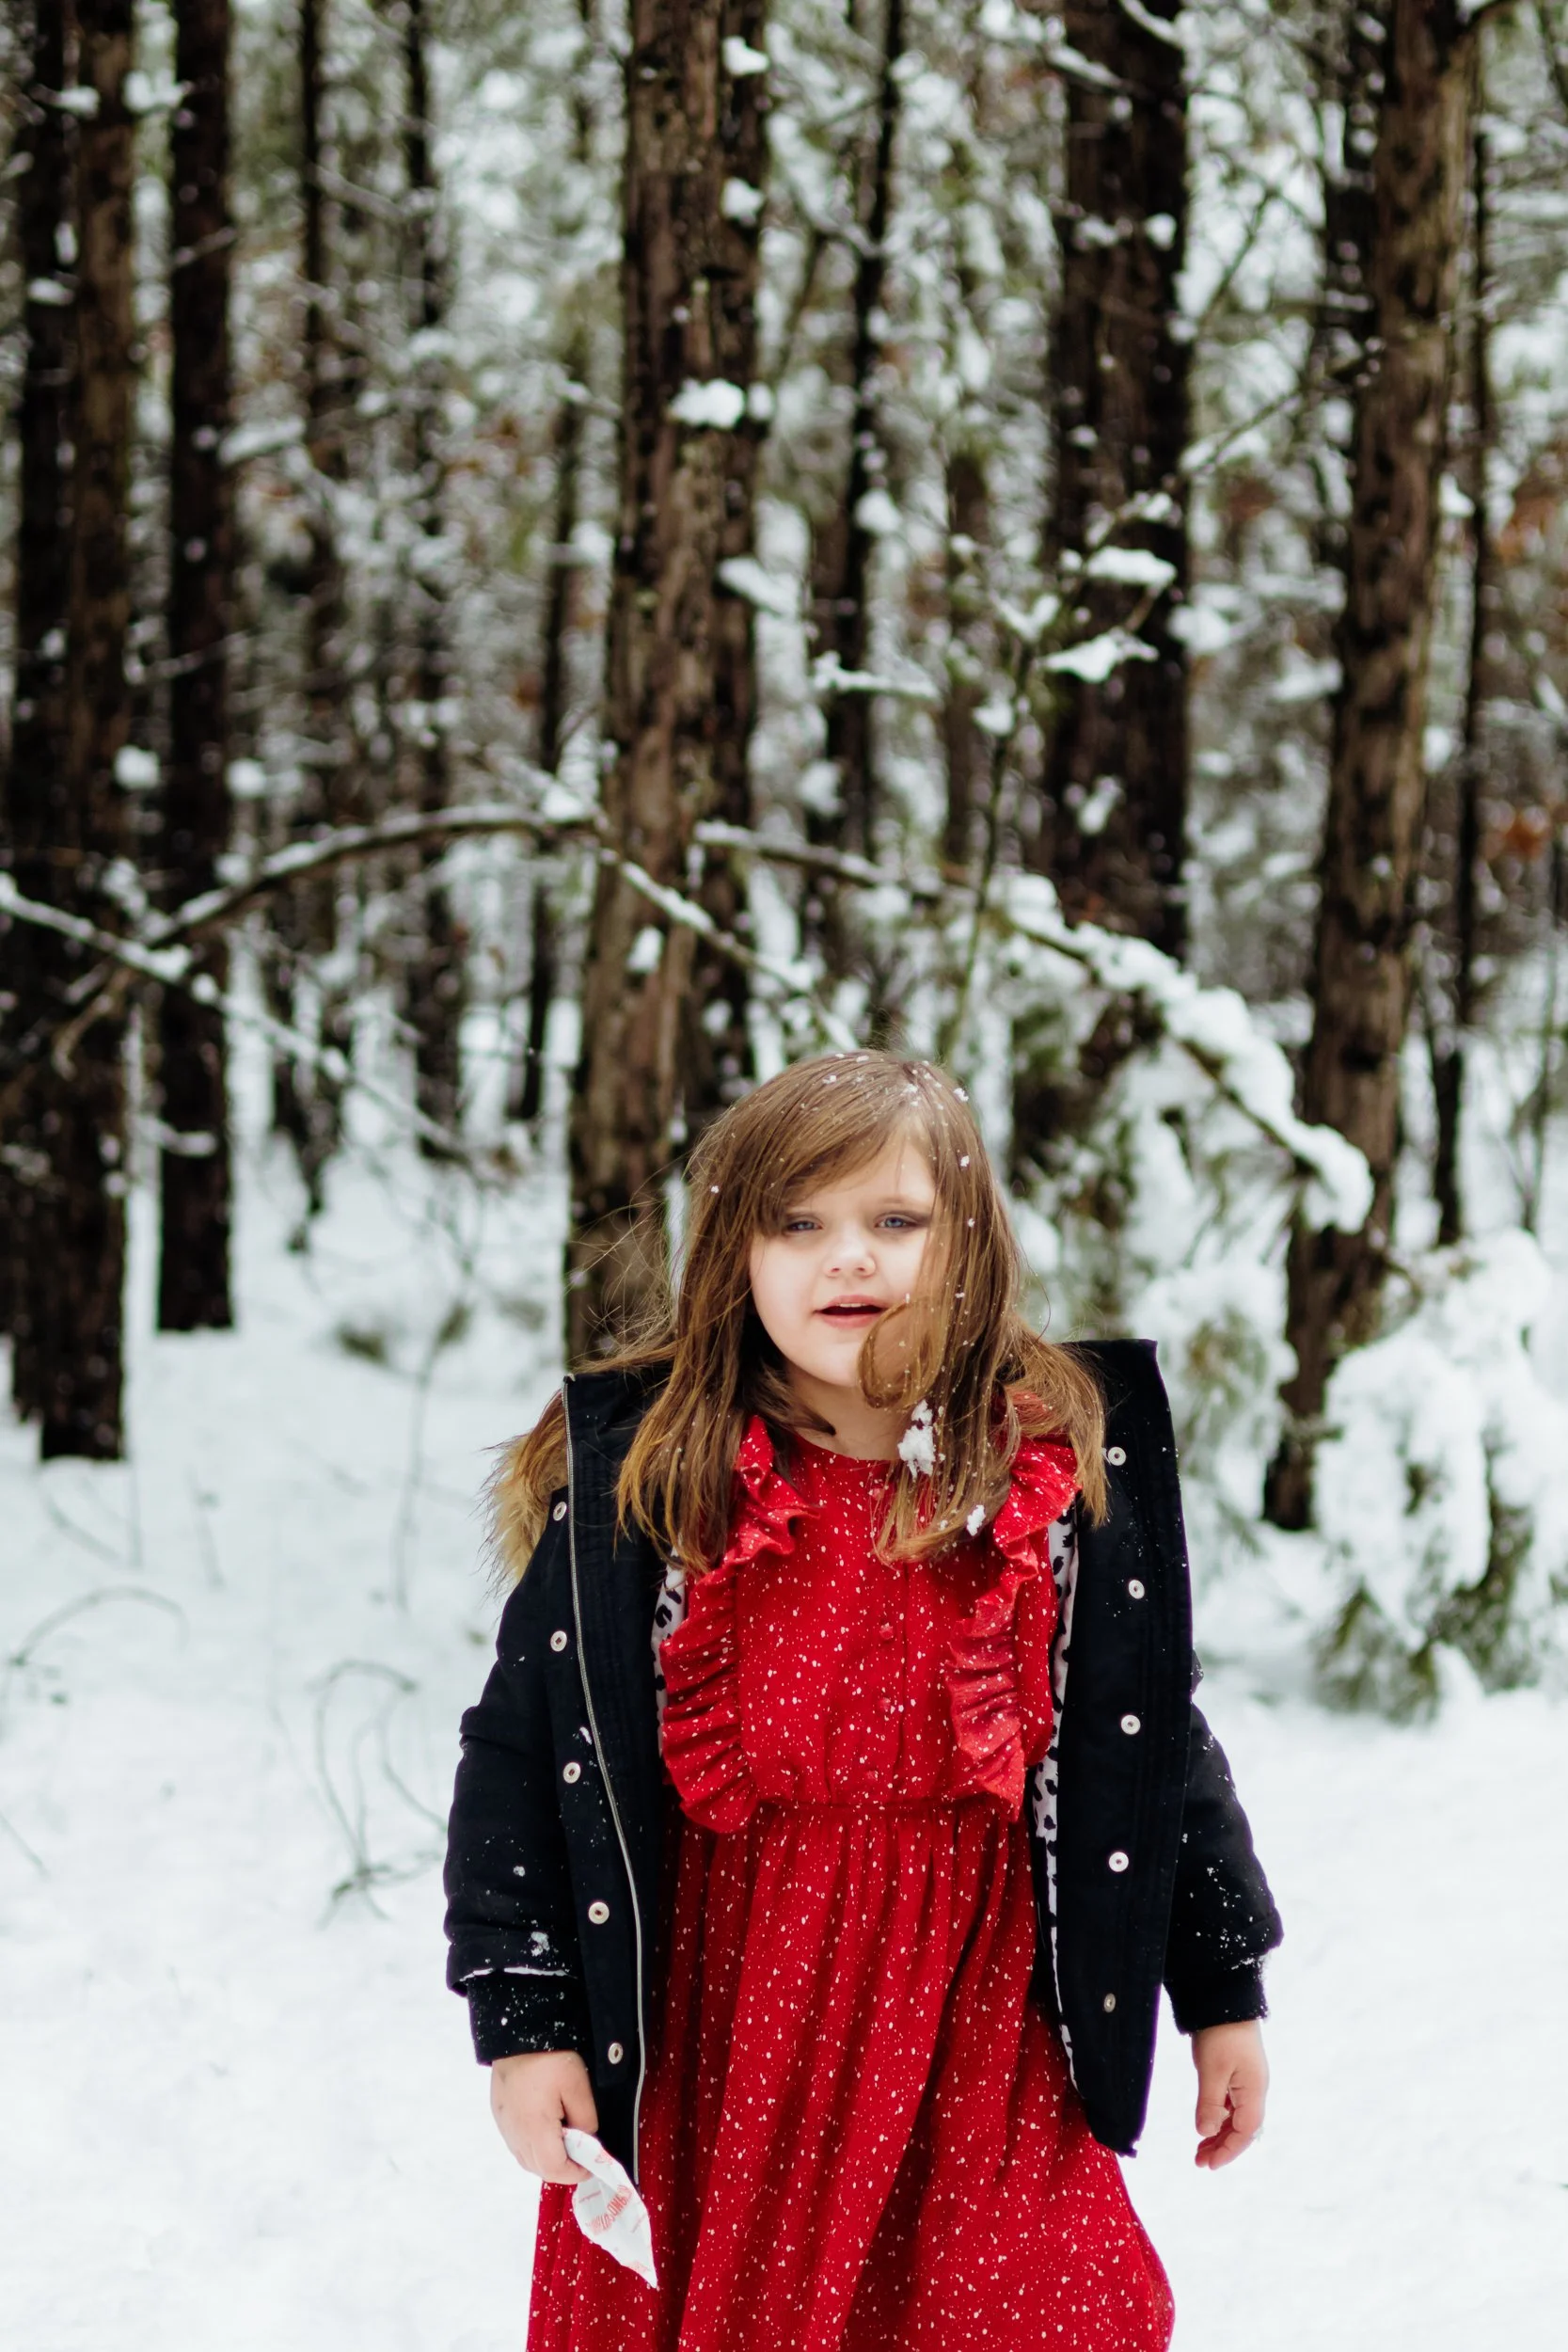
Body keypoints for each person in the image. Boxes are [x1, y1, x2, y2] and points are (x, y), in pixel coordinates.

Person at [443, 1051, 1281, 2350]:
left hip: (977, 2016)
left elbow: (1149, 1737)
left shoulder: (1041, 1481)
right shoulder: (654, 1492)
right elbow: (517, 1759)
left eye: (896, 1222)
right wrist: (527, 2019)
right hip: (723, 2019)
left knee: (1031, 2304)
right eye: (801, 1224)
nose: (852, 1259)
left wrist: (1220, 1986)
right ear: (734, 1252)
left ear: (968, 1248)